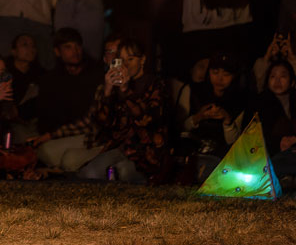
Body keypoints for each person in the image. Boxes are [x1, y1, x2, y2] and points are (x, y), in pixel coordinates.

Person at [78, 38, 170, 183]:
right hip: (121, 147)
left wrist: (126, 91)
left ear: (142, 60)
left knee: (122, 172)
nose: (126, 64)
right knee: (90, 173)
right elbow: (103, 123)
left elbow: (148, 119)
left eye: (131, 59)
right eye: (122, 60)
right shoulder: (118, 86)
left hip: (147, 152)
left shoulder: (155, 84)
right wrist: (108, 91)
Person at [26, 28, 103, 170]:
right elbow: (43, 111)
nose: (75, 51)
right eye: (68, 47)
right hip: (59, 134)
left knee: (57, 155)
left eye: (77, 46)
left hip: (85, 133)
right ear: (57, 51)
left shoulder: (95, 76)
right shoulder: (52, 79)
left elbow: (89, 120)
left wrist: (51, 135)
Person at [175, 51, 245, 182]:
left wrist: (227, 120)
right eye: (215, 72)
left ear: (234, 76)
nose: (220, 79)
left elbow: (234, 142)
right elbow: (183, 128)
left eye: (226, 74)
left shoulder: (239, 100)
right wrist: (198, 117)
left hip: (220, 155)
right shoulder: (197, 93)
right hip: (194, 151)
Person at [244, 60, 296, 179]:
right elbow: (250, 134)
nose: (277, 81)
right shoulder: (258, 103)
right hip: (269, 154)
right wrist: (279, 143)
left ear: (292, 82)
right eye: (273, 76)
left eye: (283, 76)